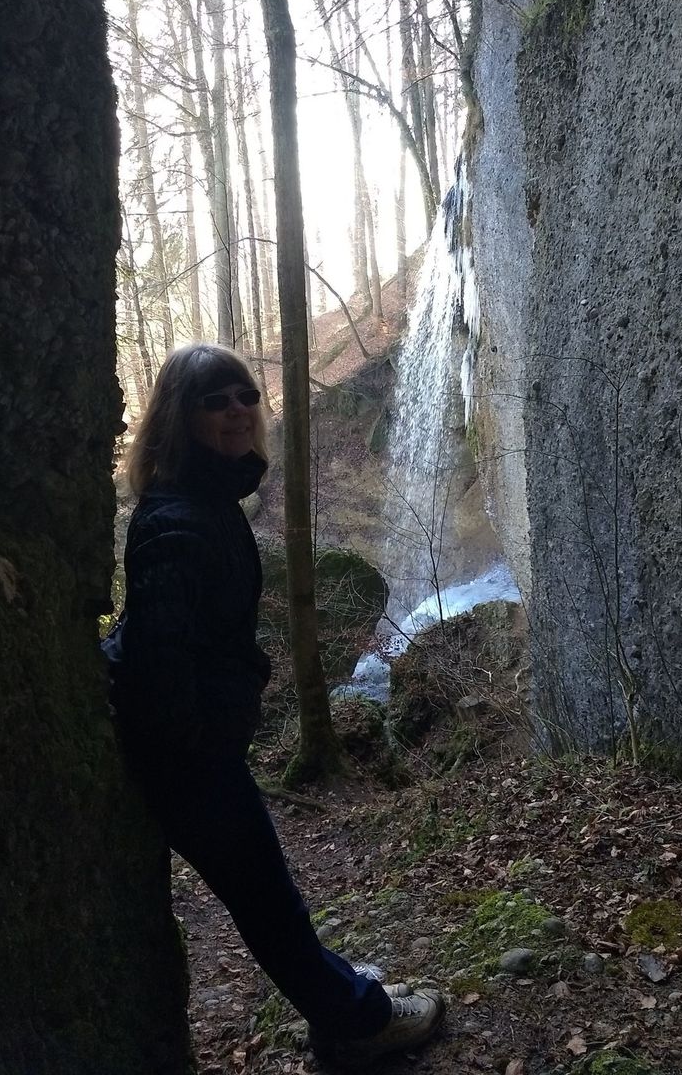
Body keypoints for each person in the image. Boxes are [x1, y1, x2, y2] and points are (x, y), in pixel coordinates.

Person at [102, 342, 445, 1062]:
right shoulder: (176, 520)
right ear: (180, 415)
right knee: (269, 904)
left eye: (245, 396)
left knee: (270, 897)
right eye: (214, 400)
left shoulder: (207, 497)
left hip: (198, 749)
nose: (236, 410)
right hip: (188, 761)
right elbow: (160, 667)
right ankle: (358, 1024)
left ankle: (345, 998)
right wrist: (214, 733)